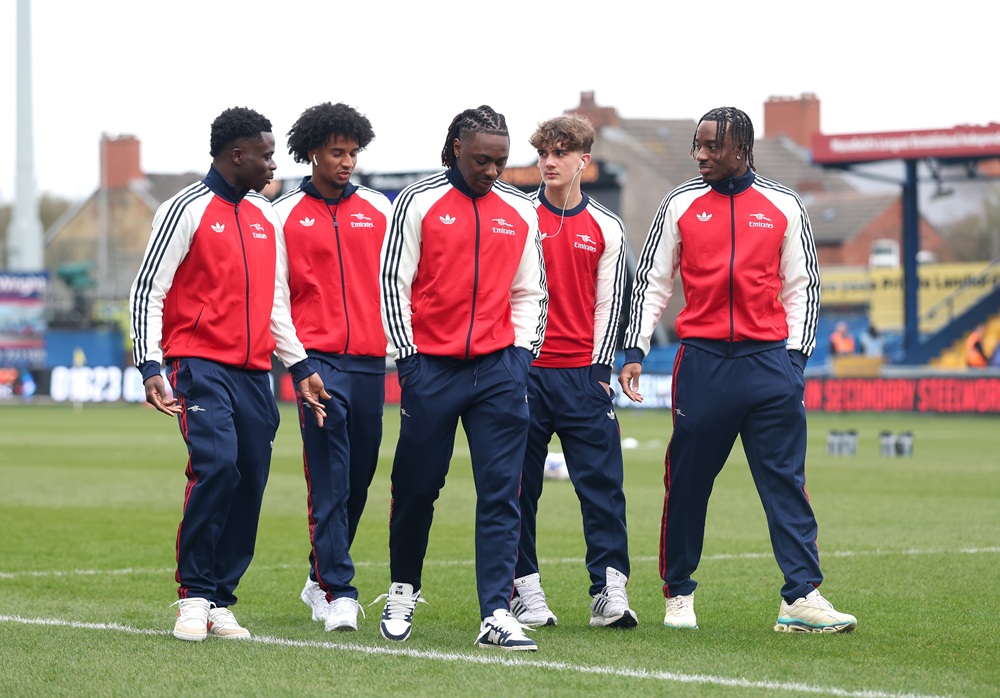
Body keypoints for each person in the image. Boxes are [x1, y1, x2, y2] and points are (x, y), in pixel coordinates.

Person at [618, 106, 857, 634]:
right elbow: (653, 283)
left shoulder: (784, 205)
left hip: (770, 364)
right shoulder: (679, 204)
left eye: (711, 146)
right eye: (696, 145)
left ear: (742, 150)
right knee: (687, 483)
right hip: (702, 364)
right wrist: (633, 349)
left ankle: (801, 597)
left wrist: (793, 360)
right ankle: (678, 592)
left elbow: (803, 289)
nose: (700, 154)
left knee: (785, 483)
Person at [129, 107, 329, 642]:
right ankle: (193, 596)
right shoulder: (185, 209)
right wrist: (150, 363)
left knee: (249, 480)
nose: (273, 164)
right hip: (199, 364)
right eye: (265, 155)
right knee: (216, 468)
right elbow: (150, 288)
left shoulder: (265, 218)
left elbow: (275, 303)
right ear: (236, 154)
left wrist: (301, 364)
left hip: (255, 373)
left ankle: (220, 599)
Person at [378, 105, 548, 650]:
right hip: (431, 367)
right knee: (417, 487)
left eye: (501, 161)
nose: (492, 171)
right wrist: (408, 358)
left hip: (499, 370)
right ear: (456, 148)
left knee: (502, 492)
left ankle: (496, 612)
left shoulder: (521, 212)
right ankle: (403, 589)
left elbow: (530, 293)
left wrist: (519, 357)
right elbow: (393, 283)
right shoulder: (418, 202)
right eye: (482, 160)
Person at [510, 114, 636, 630]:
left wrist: (602, 370)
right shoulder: (516, 216)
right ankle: (525, 590)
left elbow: (612, 304)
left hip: (583, 376)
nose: (549, 161)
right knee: (517, 488)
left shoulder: (607, 226)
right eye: (543, 152)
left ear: (583, 160)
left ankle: (608, 591)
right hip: (523, 373)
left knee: (602, 488)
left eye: (560, 153)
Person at [272, 103, 392, 632]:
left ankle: (317, 577)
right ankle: (339, 590)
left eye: (353, 152)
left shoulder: (378, 208)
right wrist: (297, 364)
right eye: (337, 152)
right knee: (329, 477)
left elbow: (397, 282)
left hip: (370, 362)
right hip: (315, 362)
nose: (347, 162)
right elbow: (276, 296)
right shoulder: (282, 214)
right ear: (313, 151)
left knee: (359, 481)